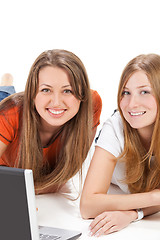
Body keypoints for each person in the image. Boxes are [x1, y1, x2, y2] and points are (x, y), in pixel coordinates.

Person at [0, 49, 102, 194]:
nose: (56, 102)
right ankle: (6, 83)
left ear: (82, 96)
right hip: (11, 113)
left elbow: (67, 173)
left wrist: (29, 190)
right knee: (3, 96)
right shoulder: (8, 115)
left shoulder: (90, 104)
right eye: (46, 90)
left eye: (67, 91)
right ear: (32, 94)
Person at [80, 53, 160, 236]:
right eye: (126, 92)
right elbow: (87, 206)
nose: (132, 104)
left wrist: (132, 214)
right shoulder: (116, 126)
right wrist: (154, 196)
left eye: (144, 92)